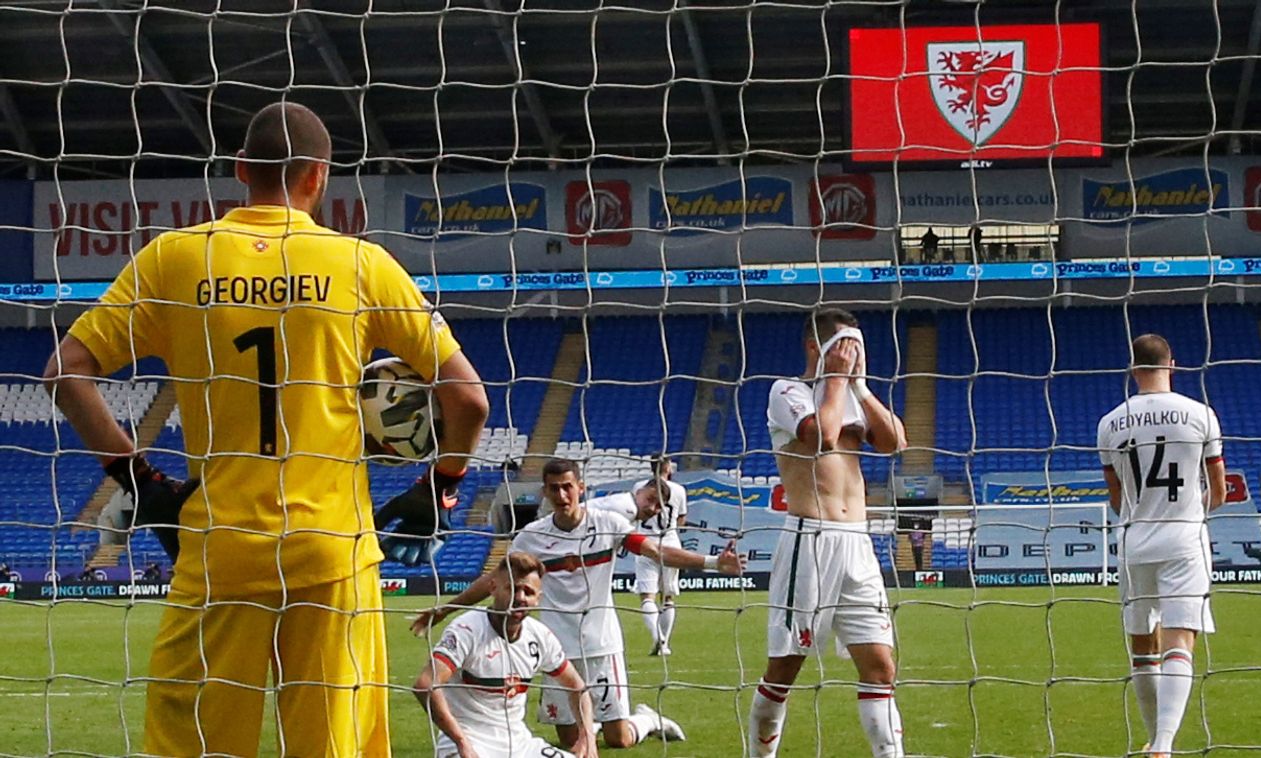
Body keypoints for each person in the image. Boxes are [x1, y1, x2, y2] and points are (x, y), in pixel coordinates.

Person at [42, 101, 489, 757]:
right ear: (319, 178)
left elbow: (64, 372)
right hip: (331, 552)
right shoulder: (361, 263)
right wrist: (441, 485)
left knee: (195, 743)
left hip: (222, 549)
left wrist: (139, 482)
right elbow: (469, 400)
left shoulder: (175, 258)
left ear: (240, 169)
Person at [414, 458, 745, 750]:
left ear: (581, 488)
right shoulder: (532, 537)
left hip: (602, 643)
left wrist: (714, 562)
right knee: (570, 742)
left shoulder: (608, 525)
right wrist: (447, 609)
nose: (561, 496)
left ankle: (647, 720)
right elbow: (494, 583)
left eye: (568, 487)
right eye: (554, 489)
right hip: (557, 646)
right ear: (544, 492)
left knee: (619, 740)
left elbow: (658, 551)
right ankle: (591, 721)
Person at [750, 308, 908, 758]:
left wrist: (859, 384)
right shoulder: (788, 391)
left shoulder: (852, 396)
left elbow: (896, 442)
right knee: (785, 666)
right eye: (844, 346)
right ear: (815, 347)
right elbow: (819, 437)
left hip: (857, 543)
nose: (851, 355)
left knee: (881, 666)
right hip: (810, 540)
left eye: (856, 348)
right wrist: (837, 380)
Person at [1097, 334, 1226, 758]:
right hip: (1184, 538)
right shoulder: (1200, 415)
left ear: (1132, 369)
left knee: (1142, 647)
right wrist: (1193, 510)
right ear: (1173, 363)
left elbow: (1116, 498)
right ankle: (1164, 746)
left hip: (1134, 542)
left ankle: (1154, 737)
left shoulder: (1109, 422)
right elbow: (1220, 490)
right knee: (1179, 644)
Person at [414, 552, 599, 758]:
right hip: (469, 742)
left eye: (527, 591)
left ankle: (642, 720)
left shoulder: (540, 636)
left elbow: (577, 686)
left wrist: (587, 736)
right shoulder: (466, 630)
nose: (519, 598)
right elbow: (425, 684)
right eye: (512, 589)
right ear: (493, 588)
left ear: (538, 599)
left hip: (519, 744)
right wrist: (461, 742)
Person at [629, 457, 687, 655]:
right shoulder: (679, 490)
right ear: (668, 467)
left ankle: (657, 638)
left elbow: (633, 512)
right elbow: (681, 519)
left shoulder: (639, 486)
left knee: (647, 596)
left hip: (645, 543)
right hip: (670, 543)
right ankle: (665, 642)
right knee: (668, 597)